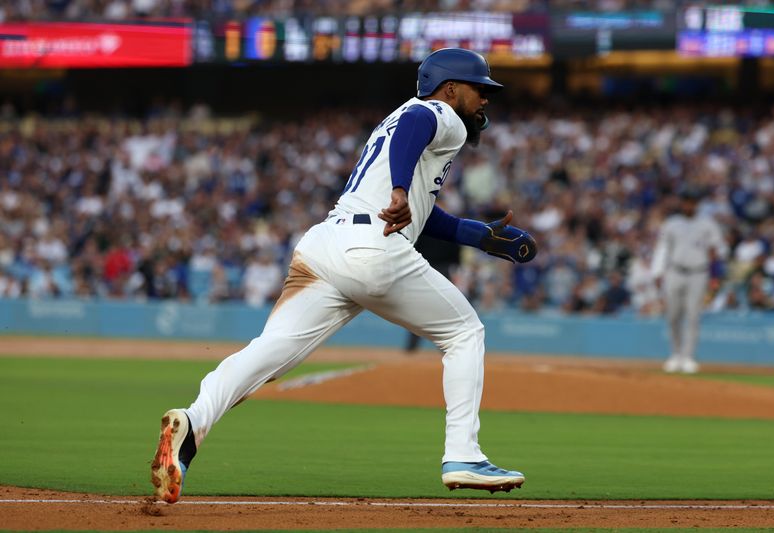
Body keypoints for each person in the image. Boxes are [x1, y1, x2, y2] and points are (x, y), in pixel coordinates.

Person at [150, 48, 537, 504]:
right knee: (464, 332)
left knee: (270, 352)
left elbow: (422, 212)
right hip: (372, 249)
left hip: (325, 245)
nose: (486, 99)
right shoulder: (437, 112)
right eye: (480, 88)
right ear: (451, 89)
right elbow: (416, 138)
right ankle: (463, 455)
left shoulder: (397, 121)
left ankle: (192, 425)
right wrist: (398, 189)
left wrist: (478, 236)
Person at [651, 185, 728, 374]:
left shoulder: (707, 224)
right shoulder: (672, 223)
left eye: (692, 202)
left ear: (697, 204)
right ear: (682, 203)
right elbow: (662, 249)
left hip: (698, 272)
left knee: (693, 316)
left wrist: (715, 274)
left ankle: (688, 357)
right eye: (686, 201)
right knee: (673, 315)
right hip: (675, 271)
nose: (689, 205)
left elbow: (717, 250)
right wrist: (658, 273)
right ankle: (675, 354)